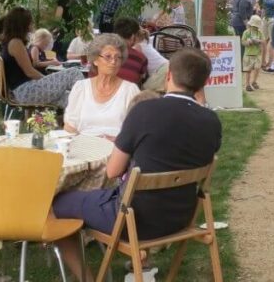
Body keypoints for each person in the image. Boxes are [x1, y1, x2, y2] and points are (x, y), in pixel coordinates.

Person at [52, 49, 222, 282]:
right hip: (181, 218)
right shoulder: (211, 121)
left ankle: (88, 279)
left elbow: (113, 170)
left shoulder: (145, 111)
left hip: (135, 220)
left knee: (58, 203)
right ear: (205, 83)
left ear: (168, 76)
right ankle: (139, 261)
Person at [0, 7, 82, 106]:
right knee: (74, 73)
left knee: (72, 99)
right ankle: (92, 101)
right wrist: (48, 80)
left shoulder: (11, 42)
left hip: (26, 91)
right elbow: (30, 72)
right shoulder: (15, 43)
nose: (32, 24)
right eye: (30, 22)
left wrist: (52, 82)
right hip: (26, 91)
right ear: (22, 24)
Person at [64, 34, 139, 139]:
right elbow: (69, 126)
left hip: (116, 150)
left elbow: (136, 130)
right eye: (108, 57)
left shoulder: (130, 90)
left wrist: (119, 142)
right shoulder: (80, 88)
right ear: (95, 60)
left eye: (118, 57)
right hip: (83, 148)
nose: (113, 62)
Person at [112, 17, 149, 85]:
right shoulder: (141, 58)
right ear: (132, 37)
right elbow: (141, 78)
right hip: (129, 94)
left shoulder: (101, 52)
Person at [242, 15, 264, 92]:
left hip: (257, 54)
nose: (255, 28)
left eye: (256, 27)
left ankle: (254, 81)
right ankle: (247, 84)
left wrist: (259, 42)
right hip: (248, 54)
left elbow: (263, 41)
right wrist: (248, 42)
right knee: (248, 70)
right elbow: (243, 42)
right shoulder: (246, 32)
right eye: (254, 26)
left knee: (257, 68)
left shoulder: (259, 33)